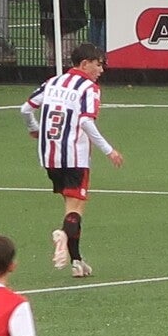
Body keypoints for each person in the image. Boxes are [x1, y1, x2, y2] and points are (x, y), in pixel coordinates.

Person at [22, 43, 124, 279]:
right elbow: (86, 122)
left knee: (72, 208)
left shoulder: (52, 82)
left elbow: (25, 109)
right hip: (75, 156)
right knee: (75, 209)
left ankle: (77, 262)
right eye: (98, 65)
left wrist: (34, 129)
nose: (101, 70)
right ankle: (63, 236)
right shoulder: (89, 88)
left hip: (49, 156)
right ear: (84, 64)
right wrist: (109, 150)